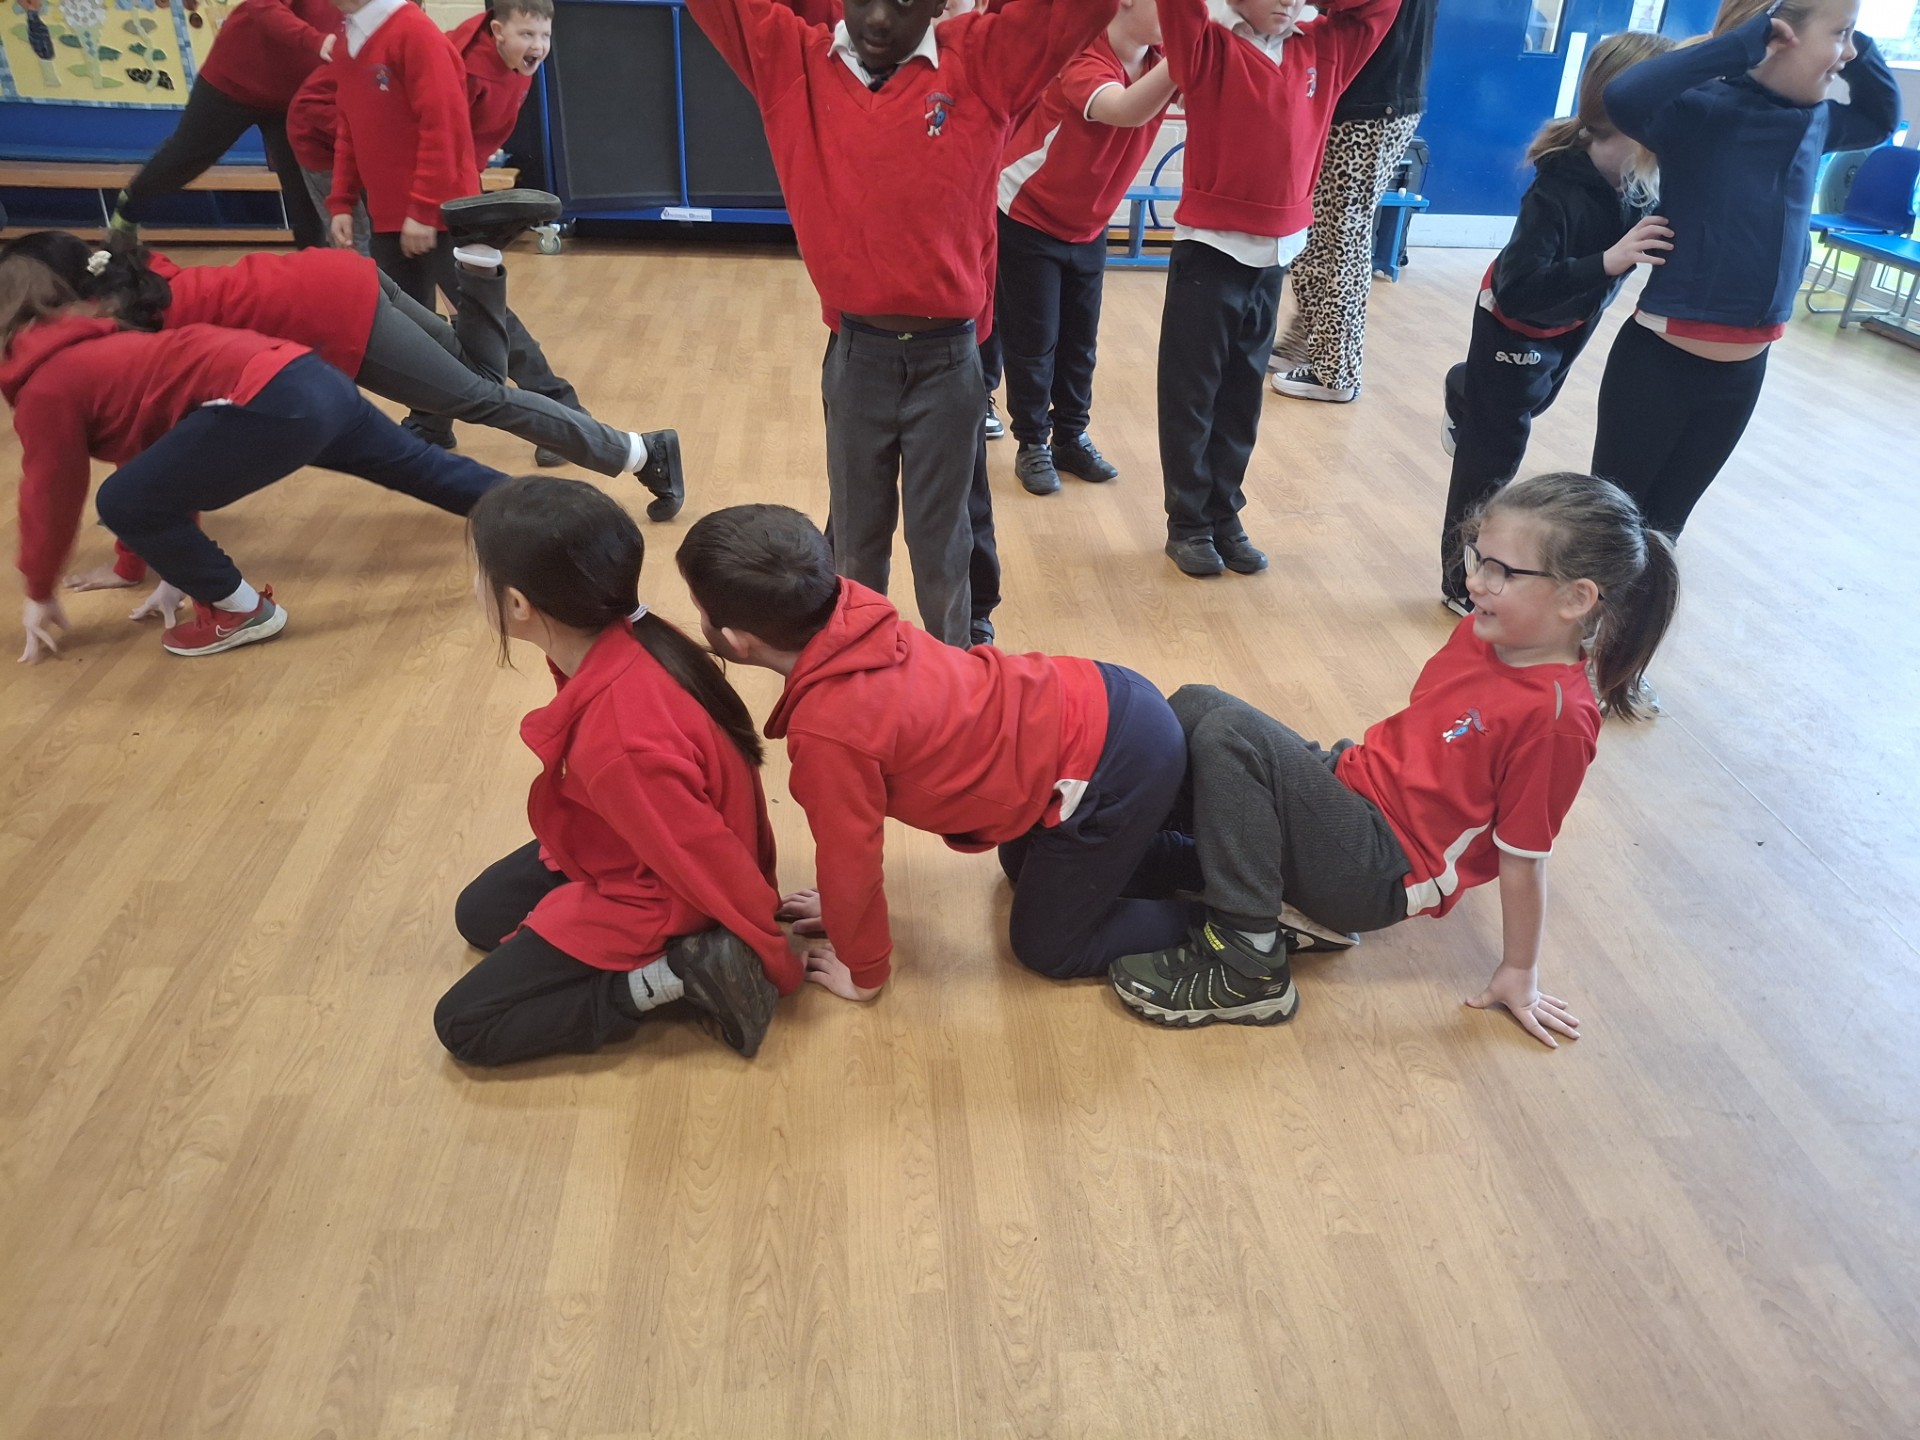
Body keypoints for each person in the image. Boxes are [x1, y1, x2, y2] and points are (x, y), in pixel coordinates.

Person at [1109, 472, 1678, 1047]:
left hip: (1382, 868)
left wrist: (1519, 972)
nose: (1473, 581)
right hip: (1352, 789)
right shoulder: (1482, 633)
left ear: (1576, 598)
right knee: (1197, 704)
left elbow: (1524, 859)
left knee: (1229, 736)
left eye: (1500, 572)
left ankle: (1247, 964)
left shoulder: (1557, 719)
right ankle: (1131, 846)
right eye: (1477, 557)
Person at [683, 0, 1116, 648]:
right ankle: (858, 669)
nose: (880, 20)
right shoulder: (796, 63)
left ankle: (957, 673)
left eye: (905, 3)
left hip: (948, 359)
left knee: (942, 544)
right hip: (858, 355)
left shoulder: (983, 61)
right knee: (857, 543)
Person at [676, 503, 1197, 1000]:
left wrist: (864, 969)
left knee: (1049, 947)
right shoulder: (852, 609)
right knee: (1023, 866)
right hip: (1106, 700)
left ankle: (1224, 923)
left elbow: (850, 861)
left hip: (1111, 764)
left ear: (736, 641)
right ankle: (1197, 863)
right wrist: (836, 909)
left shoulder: (831, 734)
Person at [3, 231, 679, 585]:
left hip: (334, 314)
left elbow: (153, 453)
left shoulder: (119, 327)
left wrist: (132, 558)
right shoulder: (135, 280)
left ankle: (638, 452)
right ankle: (479, 267)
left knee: (479, 397)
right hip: (340, 273)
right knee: (479, 378)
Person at [435, 476, 797, 1066]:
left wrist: (767, 951)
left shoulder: (621, 741)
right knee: (479, 914)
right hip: (627, 844)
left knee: (465, 1025)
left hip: (666, 891)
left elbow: (705, 858)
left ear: (519, 605)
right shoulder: (630, 632)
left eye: (481, 573)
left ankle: (674, 976)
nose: (475, 586)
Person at [3, 249, 505, 661]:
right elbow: (161, 458)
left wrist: (40, 590)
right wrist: (175, 568)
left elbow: (51, 493)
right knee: (421, 468)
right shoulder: (101, 350)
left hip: (273, 399)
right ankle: (543, 512)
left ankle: (241, 612)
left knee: (120, 501)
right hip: (305, 373)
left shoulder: (46, 388)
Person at [1589, 0, 1898, 537]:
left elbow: (1881, 119)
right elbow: (1625, 96)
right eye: (1841, 34)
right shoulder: (1702, 111)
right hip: (1659, 366)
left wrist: (1859, 42)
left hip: (1742, 371)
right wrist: (1738, 45)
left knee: (1664, 531)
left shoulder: (1818, 121)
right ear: (1779, 36)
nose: (1849, 53)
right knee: (1611, 531)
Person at [1155, 0, 1397, 580]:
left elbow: (1381, 7)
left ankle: (1223, 515)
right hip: (1208, 255)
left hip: (1273, 261)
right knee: (1192, 399)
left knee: (1242, 401)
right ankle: (1187, 523)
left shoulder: (1323, 46)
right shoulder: (1208, 45)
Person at [1438, 31, 1676, 612]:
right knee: (1492, 457)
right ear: (1637, 109)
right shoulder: (1557, 190)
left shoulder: (1640, 181)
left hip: (1567, 325)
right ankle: (1460, 584)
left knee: (1532, 400)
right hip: (1514, 324)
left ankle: (1464, 388)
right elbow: (1520, 288)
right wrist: (1607, 261)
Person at [993, 0, 1177, 496]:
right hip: (1028, 215)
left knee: (1080, 342)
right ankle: (1032, 442)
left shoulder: (1161, 60)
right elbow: (1123, 109)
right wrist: (1187, 58)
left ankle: (1070, 437)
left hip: (1089, 225)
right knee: (1035, 341)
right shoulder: (1082, 55)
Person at [431, 0, 610, 474]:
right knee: (437, 314)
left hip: (440, 196)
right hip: (426, 197)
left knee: (475, 312)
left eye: (544, 36)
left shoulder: (507, 60)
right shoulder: (465, 70)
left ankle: (565, 416)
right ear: (496, 31)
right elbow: (438, 142)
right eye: (527, 35)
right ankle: (431, 423)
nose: (539, 46)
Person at [1269, 0, 1435, 404]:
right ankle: (1309, 344)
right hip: (1364, 93)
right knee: (1320, 230)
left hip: (1373, 99)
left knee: (1342, 233)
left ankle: (1335, 371)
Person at [111, 0, 340, 250]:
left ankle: (316, 265)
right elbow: (264, 5)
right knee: (183, 159)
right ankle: (128, 211)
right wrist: (316, 40)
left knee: (306, 191)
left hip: (295, 97)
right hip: (234, 82)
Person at [326, 0, 475, 315]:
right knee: (407, 325)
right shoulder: (346, 42)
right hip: (388, 218)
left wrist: (424, 210)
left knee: (477, 320)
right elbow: (348, 130)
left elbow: (444, 126)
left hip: (444, 215)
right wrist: (341, 202)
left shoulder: (415, 34)